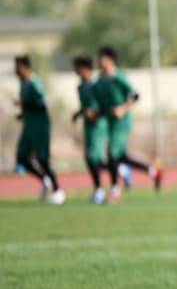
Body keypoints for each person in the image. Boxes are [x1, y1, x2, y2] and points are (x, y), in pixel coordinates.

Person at [93, 46, 162, 201]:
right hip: (110, 123)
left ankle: (115, 190)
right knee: (121, 157)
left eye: (102, 58)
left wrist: (123, 108)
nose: (99, 61)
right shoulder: (99, 81)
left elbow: (135, 95)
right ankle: (152, 171)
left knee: (112, 154)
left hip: (122, 122)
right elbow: (100, 103)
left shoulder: (119, 77)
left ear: (110, 60)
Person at [13, 56, 64, 204]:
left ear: (25, 67)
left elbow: (41, 104)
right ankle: (45, 179)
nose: (16, 70)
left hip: (40, 128)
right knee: (21, 158)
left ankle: (58, 190)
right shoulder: (23, 83)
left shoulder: (35, 83)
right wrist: (23, 113)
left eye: (18, 67)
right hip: (28, 127)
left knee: (43, 159)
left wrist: (24, 104)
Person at [72, 57, 110, 204]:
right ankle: (119, 171)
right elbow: (84, 106)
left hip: (98, 125)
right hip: (88, 126)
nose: (76, 71)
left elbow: (104, 105)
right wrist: (78, 114)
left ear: (86, 69)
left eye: (78, 68)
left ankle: (99, 190)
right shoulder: (80, 87)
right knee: (92, 159)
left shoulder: (96, 85)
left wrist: (95, 113)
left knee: (92, 157)